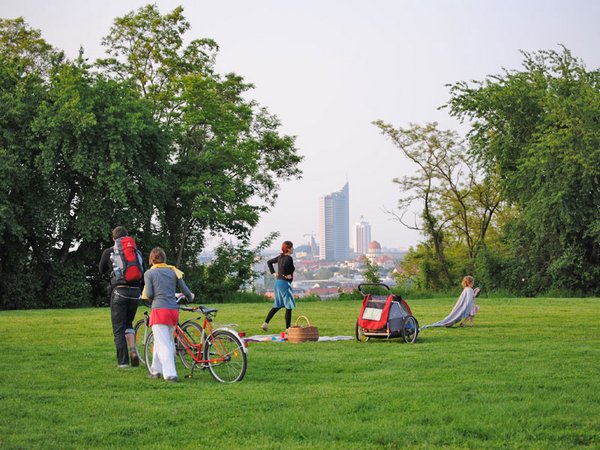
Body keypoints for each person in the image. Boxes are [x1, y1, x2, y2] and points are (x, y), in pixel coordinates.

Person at [142, 247, 194, 383]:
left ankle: (170, 374)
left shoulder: (149, 273)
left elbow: (150, 294)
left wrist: (149, 299)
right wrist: (190, 297)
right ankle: (155, 370)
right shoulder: (173, 271)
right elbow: (186, 290)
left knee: (164, 343)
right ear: (164, 258)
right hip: (173, 311)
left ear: (151, 259)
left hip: (159, 311)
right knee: (163, 341)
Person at [99, 226, 143, 368]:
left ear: (113, 238)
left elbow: (101, 270)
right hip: (135, 292)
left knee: (118, 329)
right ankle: (133, 350)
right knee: (128, 324)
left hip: (119, 292)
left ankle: (123, 363)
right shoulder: (136, 252)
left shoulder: (109, 252)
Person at [262, 241, 295, 332]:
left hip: (278, 283)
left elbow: (269, 262)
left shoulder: (280, 257)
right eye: (292, 247)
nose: (293, 249)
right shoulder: (289, 258)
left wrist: (274, 273)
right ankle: (288, 328)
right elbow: (285, 266)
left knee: (278, 305)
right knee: (289, 306)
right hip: (284, 283)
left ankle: (265, 324)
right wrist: (285, 274)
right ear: (288, 248)